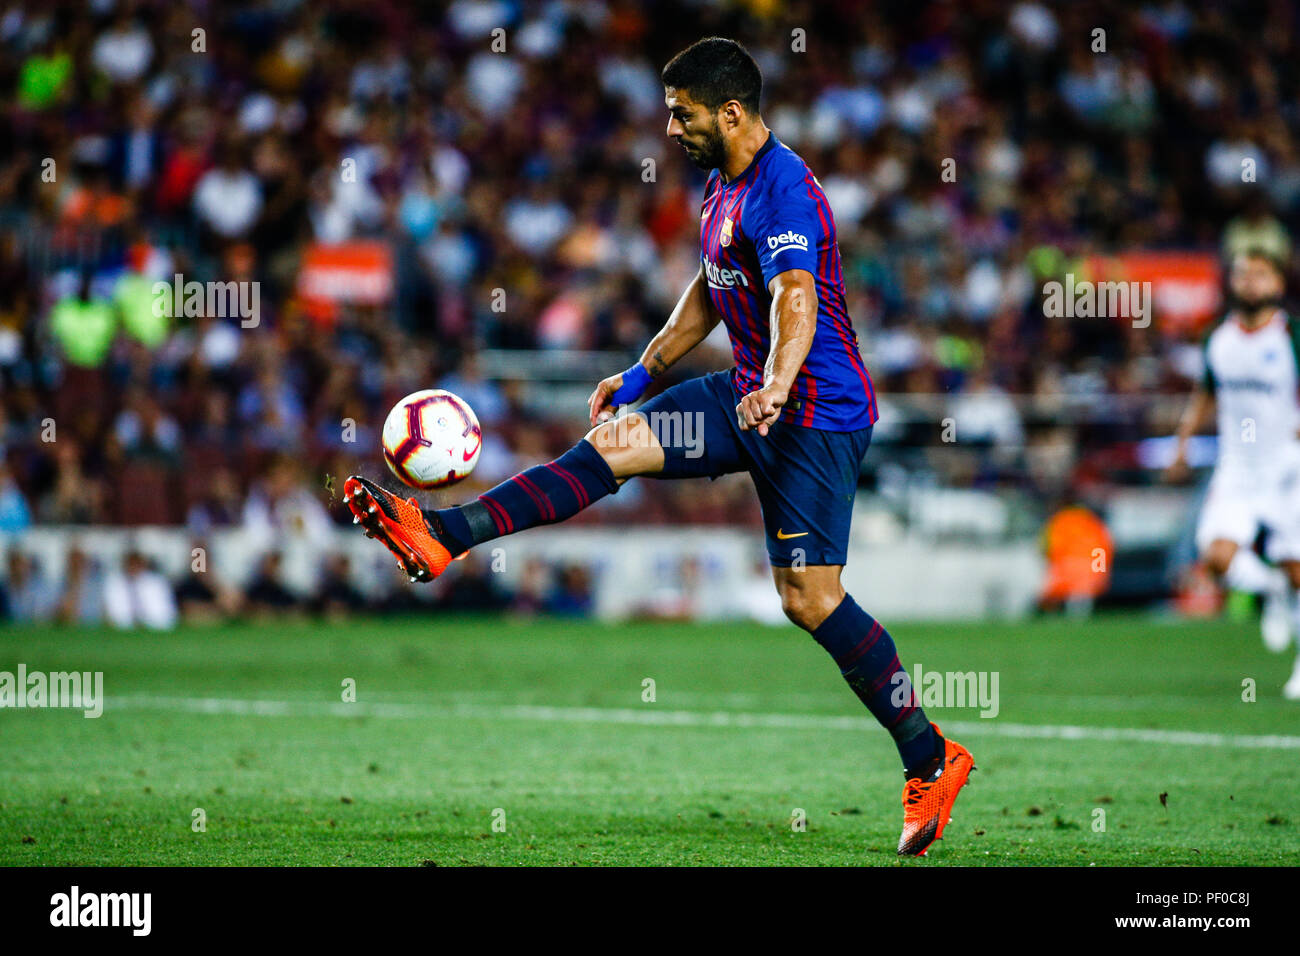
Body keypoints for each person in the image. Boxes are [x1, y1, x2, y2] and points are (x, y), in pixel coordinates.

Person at [339, 37, 974, 856]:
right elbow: (713, 289)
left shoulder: (785, 190)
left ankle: (931, 757)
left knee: (809, 599)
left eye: (683, 113)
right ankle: (443, 534)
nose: (669, 127)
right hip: (746, 394)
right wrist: (645, 369)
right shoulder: (723, 186)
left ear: (731, 111)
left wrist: (778, 383)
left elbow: (795, 297)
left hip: (814, 411)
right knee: (612, 447)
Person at [1168, 248, 1300, 699]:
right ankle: (1273, 590)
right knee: (1217, 557)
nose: (1249, 282)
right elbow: (1205, 393)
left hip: (1287, 465)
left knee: (1296, 564)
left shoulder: (1290, 335)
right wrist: (1183, 443)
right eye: (1243, 273)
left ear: (1278, 284)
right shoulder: (1218, 339)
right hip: (1237, 468)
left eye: (1260, 274)